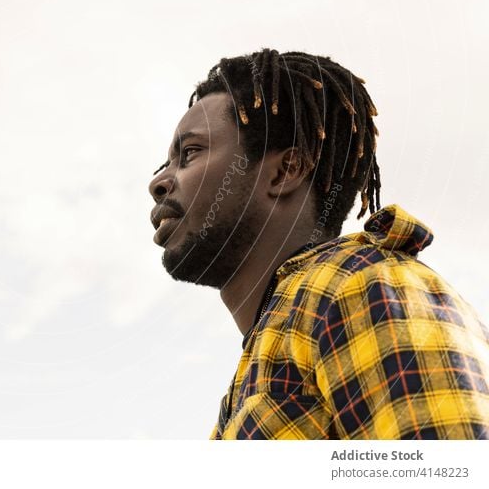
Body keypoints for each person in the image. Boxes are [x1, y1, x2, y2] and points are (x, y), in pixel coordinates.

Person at [147, 49, 489, 439]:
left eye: (190, 153)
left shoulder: (360, 288)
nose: (158, 182)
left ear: (286, 171)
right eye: (164, 164)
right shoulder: (267, 355)